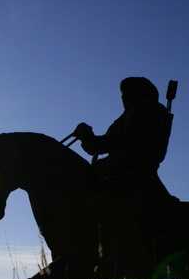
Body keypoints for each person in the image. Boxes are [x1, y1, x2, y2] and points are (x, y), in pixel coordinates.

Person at [72, 77, 176, 211]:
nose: (123, 98)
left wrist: (87, 136)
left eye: (127, 93)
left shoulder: (145, 113)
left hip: (129, 172)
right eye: (123, 94)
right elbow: (104, 144)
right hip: (124, 168)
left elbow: (112, 144)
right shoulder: (128, 117)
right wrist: (87, 137)